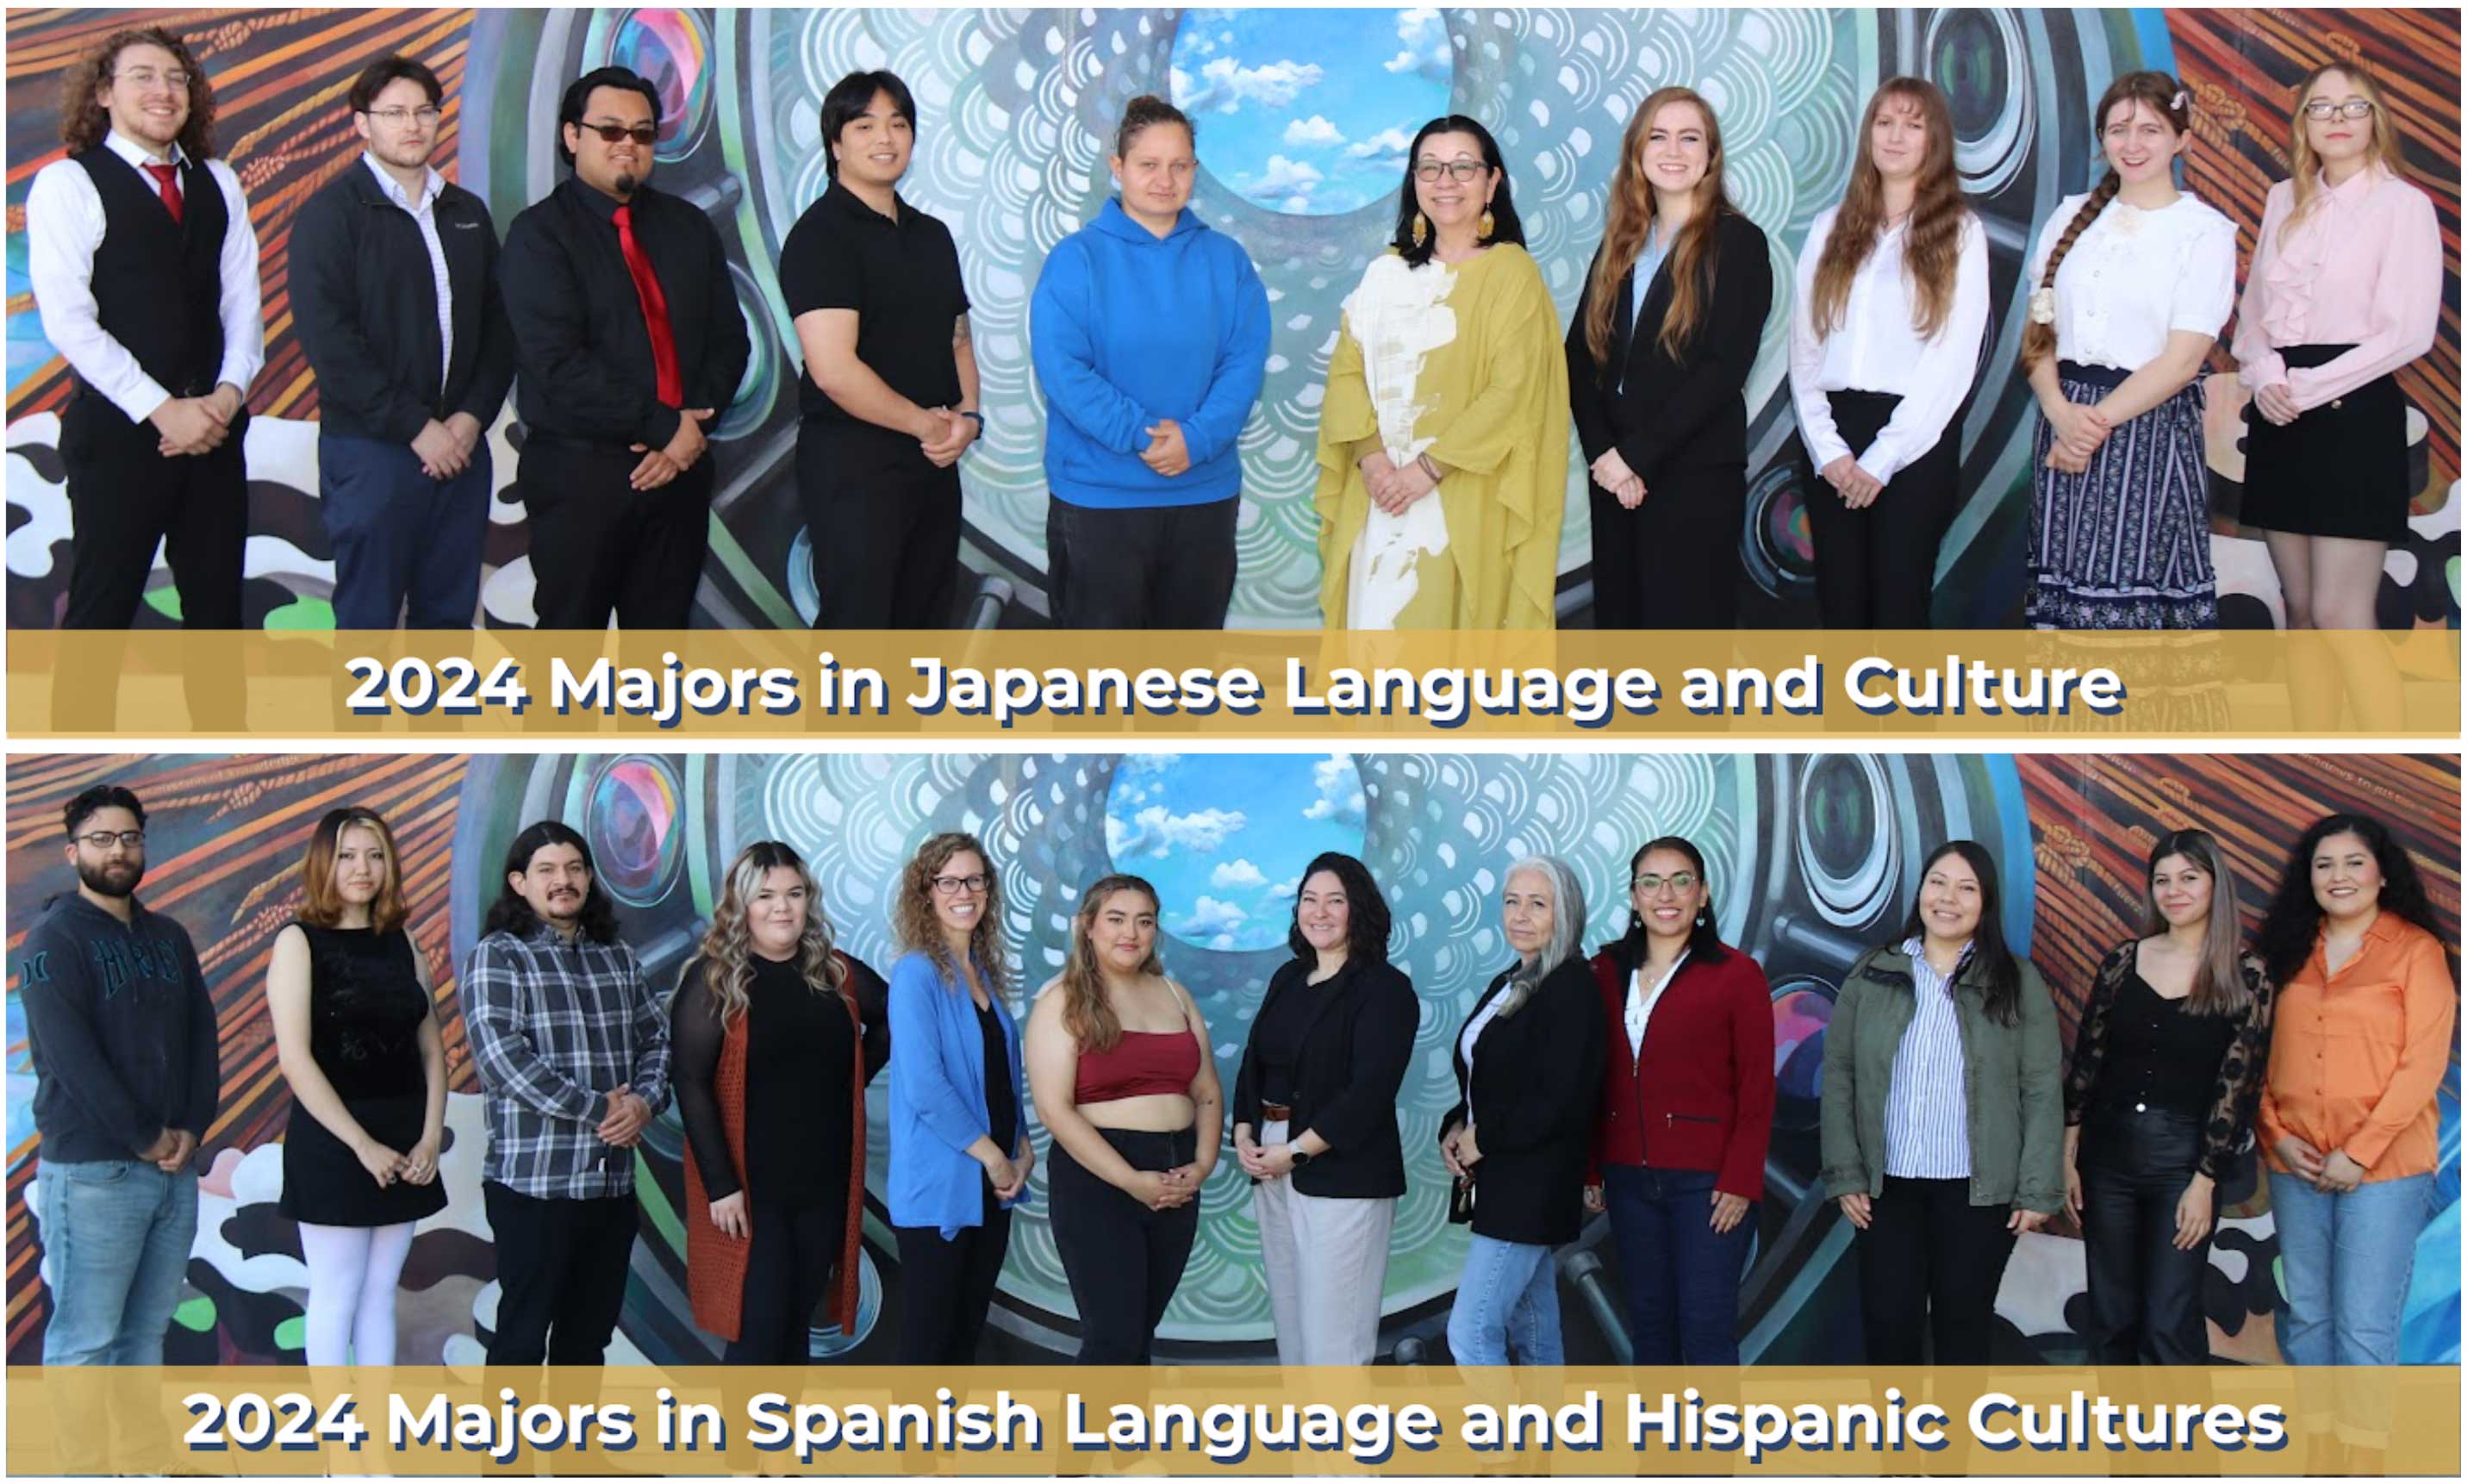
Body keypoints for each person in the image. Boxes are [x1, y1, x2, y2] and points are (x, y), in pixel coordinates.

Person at [26, 27, 263, 635]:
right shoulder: (68, 183)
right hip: (116, 438)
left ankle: (217, 735)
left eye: (176, 78)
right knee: (99, 616)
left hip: (215, 432)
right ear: (104, 93)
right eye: (143, 77)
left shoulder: (220, 182)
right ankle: (77, 736)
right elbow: (69, 323)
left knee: (217, 619)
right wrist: (162, 410)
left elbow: (242, 308)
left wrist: (226, 399)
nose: (164, 91)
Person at [499, 65, 751, 630]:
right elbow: (557, 363)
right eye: (611, 131)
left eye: (642, 133)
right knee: (570, 658)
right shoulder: (538, 236)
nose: (628, 146)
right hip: (581, 476)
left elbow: (730, 340)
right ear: (572, 136)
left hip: (680, 474)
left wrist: (687, 434)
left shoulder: (687, 226)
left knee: (659, 657)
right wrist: (663, 427)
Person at [1312, 115, 1569, 630]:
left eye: (1463, 167)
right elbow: (1347, 374)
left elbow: (1511, 393)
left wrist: (1424, 471)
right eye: (1429, 168)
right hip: (1379, 498)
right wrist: (1374, 463)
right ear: (1413, 181)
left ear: (1492, 181)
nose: (1445, 181)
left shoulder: (1511, 274)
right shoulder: (1384, 273)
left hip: (1463, 497)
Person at [290, 54, 514, 631]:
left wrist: (469, 419)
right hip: (374, 451)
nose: (412, 125)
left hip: (463, 449)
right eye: (394, 113)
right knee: (367, 617)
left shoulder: (466, 212)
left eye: (423, 111)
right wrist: (418, 429)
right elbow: (331, 344)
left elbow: (500, 325)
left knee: (447, 618)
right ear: (362, 123)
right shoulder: (331, 215)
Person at [1030, 94, 1270, 629]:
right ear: (1118, 168)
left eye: (1179, 165)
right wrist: (1144, 436)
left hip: (1204, 497)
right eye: (1148, 165)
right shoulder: (1076, 260)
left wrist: (1198, 439)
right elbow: (1064, 371)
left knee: (1181, 693)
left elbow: (1244, 364)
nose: (1165, 179)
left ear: (1195, 172)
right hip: (1099, 501)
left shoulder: (1226, 260)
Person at [1819, 841, 2062, 1365]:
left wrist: (2038, 1187)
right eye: (1938, 882)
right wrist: (1846, 1174)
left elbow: (2042, 1087)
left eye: (1967, 887)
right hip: (1888, 1191)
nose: (1948, 898)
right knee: (1889, 1331)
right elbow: (1839, 1074)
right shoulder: (1874, 972)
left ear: (1986, 903)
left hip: (1978, 1193)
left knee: (1963, 1332)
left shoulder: (2017, 982)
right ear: (1921, 891)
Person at [2020, 72, 2235, 630]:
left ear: (2181, 139)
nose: (2133, 145)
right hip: (2063, 423)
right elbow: (2038, 331)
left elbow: (2183, 359)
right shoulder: (2070, 217)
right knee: (2066, 592)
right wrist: (2059, 412)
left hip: (2147, 430)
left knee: (2127, 602)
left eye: (2150, 130)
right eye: (2119, 130)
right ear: (2102, 138)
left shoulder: (2203, 232)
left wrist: (2091, 428)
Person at [2233, 64, 2441, 632]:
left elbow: (2409, 333)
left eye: (2354, 105)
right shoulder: (2282, 199)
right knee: (2298, 612)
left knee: (2338, 613)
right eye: (2321, 107)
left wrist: (2306, 387)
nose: (2338, 118)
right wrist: (2269, 374)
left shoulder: (2404, 205)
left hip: (2354, 416)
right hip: (2280, 412)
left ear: (2377, 119)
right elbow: (2253, 316)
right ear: (2304, 124)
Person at [19, 784, 218, 1365]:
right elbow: (70, 1059)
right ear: (72, 852)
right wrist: (147, 1137)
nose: (119, 851)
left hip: (173, 1171)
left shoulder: (169, 938)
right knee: (87, 1344)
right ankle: (91, 1464)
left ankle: (138, 1460)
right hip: (93, 1174)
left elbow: (201, 1037)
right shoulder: (54, 939)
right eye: (102, 839)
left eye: (130, 838)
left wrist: (192, 1129)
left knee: (144, 1337)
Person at [2062, 829, 2274, 1365]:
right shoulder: (2121, 962)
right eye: (2162, 880)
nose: (2174, 890)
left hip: (2183, 1167)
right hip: (2106, 1160)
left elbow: (2239, 1088)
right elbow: (2087, 1065)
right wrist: (2068, 1157)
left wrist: (2206, 1181)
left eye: (2188, 878)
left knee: (2168, 1323)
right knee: (2111, 1319)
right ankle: (2122, 1447)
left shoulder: (2245, 974)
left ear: (2214, 886)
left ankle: (2178, 1448)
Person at [462, 820, 670, 1367]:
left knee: (588, 1340)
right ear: (519, 883)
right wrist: (602, 1108)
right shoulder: (500, 956)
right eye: (547, 870)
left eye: (575, 868)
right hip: (534, 1188)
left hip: (610, 1188)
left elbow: (658, 1041)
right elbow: (503, 1060)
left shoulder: (618, 957)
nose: (564, 880)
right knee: (522, 1340)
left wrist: (643, 1104)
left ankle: (575, 1452)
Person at [671, 841, 888, 1364]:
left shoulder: (835, 972)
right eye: (765, 895)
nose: (782, 907)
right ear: (741, 906)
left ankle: (781, 1443)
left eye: (794, 894)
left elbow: (894, 1017)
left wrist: (848, 1084)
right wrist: (722, 1185)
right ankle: (743, 1449)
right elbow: (689, 1080)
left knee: (796, 1325)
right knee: (759, 1332)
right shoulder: (714, 979)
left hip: (822, 1185)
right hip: (748, 1192)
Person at [1567, 86, 1774, 631]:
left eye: (1690, 138)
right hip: (1614, 479)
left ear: (1711, 154)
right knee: (1623, 644)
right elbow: (1578, 356)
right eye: (1658, 136)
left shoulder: (1740, 243)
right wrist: (1605, 456)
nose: (1674, 151)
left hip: (1693, 478)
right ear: (1637, 151)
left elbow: (1723, 370)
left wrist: (1636, 456)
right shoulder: (1621, 242)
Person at [1786, 78, 1989, 629]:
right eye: (1884, 122)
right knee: (1841, 614)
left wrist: (1881, 459)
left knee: (1900, 615)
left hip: (1914, 442)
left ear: (1935, 141)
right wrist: (1829, 451)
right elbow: (1804, 351)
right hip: (1832, 438)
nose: (1896, 137)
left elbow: (1950, 363)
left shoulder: (1961, 234)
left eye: (1913, 125)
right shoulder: (1830, 228)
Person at [2254, 814, 2455, 1368]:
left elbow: (2422, 1064)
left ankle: (2362, 1457)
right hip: (2297, 1163)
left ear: (2382, 874)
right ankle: (2320, 1453)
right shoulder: (2286, 950)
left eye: (2354, 862)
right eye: (2324, 865)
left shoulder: (2417, 952)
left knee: (2364, 1325)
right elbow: (2253, 1054)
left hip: (2384, 1170)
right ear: (2309, 878)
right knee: (2309, 1317)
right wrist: (2276, 1136)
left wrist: (2359, 1153)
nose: (2338, 876)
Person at [782, 72, 979, 630]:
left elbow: (958, 339)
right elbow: (834, 370)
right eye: (864, 125)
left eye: (898, 124)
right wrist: (924, 425)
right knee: (860, 632)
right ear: (835, 145)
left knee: (925, 622)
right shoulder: (820, 237)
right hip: (854, 463)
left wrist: (967, 418)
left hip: (935, 458)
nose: (885, 138)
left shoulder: (931, 234)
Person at [1583, 837, 1773, 1364]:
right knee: (1650, 1328)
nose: (1665, 894)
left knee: (1705, 1329)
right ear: (1634, 896)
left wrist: (1739, 1179)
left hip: (1709, 1187)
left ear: (1703, 894)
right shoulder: (1605, 972)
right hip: (1628, 1180)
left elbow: (1758, 1088)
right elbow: (1592, 1079)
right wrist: (1594, 1167)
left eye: (1681, 880)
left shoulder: (1736, 975)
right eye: (1651, 881)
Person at [269, 807, 447, 1367]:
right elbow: (295, 1060)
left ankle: (373, 1447)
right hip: (334, 1144)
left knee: (377, 1298)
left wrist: (428, 1139)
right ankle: (339, 1451)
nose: (362, 868)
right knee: (336, 1296)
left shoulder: (404, 942)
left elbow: (432, 1051)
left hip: (404, 1141)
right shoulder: (299, 941)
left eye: (374, 854)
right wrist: (361, 1145)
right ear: (324, 863)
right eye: (347, 855)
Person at [1024, 876, 1222, 1362]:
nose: (1130, 932)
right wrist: (1131, 1180)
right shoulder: (1062, 1000)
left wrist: (1202, 1166)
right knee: (1112, 1338)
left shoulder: (1175, 995)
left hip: (1177, 1175)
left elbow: (1207, 1091)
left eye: (1144, 921)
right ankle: (1091, 1440)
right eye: (1115, 919)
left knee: (1136, 1336)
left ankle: (1126, 1440)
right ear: (1087, 927)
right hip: (1100, 1178)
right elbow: (1054, 1109)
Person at [1232, 853, 1418, 1365]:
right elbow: (1255, 1063)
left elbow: (1368, 1092)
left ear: (1359, 909)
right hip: (1270, 1163)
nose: (1320, 912)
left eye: (1335, 900)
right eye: (1309, 900)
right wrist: (1245, 1133)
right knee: (1293, 1331)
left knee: (1334, 1343)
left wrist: (1295, 1152)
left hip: (1339, 1171)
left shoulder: (1385, 989)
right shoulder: (1288, 979)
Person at [1441, 857, 1605, 1364]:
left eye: (1537, 903)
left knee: (1469, 1333)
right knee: (1534, 1330)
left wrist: (1483, 1138)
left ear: (1566, 913)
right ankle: (1544, 1444)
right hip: (1506, 1181)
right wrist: (1457, 1125)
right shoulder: (1512, 979)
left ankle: (1503, 1446)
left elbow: (1559, 1097)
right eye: (1512, 902)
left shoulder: (1571, 985)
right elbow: (1490, 1077)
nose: (1520, 915)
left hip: (1533, 1184)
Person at [887, 832, 1032, 1363]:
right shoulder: (915, 974)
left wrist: (1021, 1147)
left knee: (962, 1341)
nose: (963, 891)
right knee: (929, 1349)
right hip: (940, 1192)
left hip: (993, 1187)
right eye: (948, 881)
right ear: (925, 892)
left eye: (974, 879)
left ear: (989, 890)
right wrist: (995, 1157)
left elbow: (998, 1074)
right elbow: (926, 1088)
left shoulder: (982, 974)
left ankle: (946, 1447)